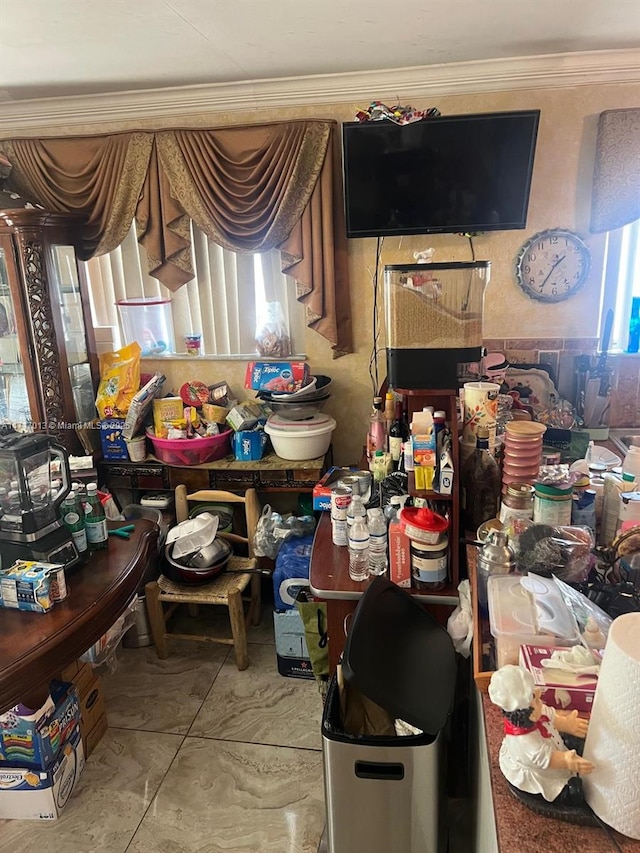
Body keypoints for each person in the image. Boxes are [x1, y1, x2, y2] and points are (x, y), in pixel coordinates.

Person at [488, 664, 594, 803]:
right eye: (535, 699)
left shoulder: (535, 709)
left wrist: (567, 724)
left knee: (569, 742)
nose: (539, 697)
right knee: (570, 791)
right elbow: (546, 758)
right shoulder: (525, 741)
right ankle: (563, 793)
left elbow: (550, 715)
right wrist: (566, 761)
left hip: (550, 747)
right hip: (541, 771)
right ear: (526, 714)